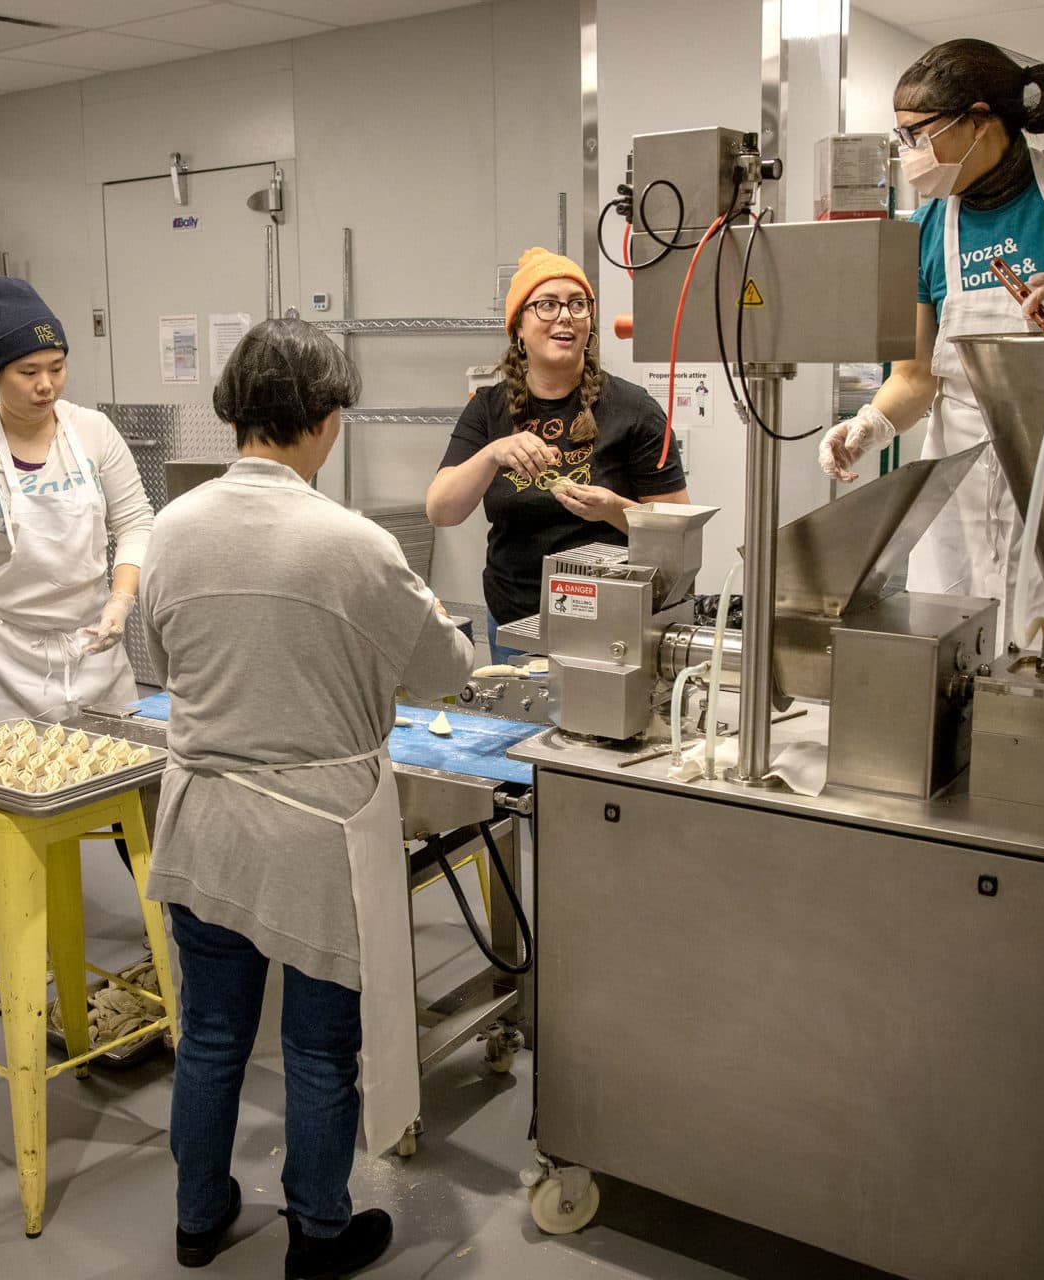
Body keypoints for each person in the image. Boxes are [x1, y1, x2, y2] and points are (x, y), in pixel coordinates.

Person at [140, 319, 473, 1277]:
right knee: (322, 1051)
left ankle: (199, 1220)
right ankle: (318, 1235)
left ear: (236, 411)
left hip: (202, 817)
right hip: (314, 832)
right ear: (326, 422)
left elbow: (163, 661)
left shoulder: (171, 529)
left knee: (210, 1035)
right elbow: (443, 669)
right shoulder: (355, 545)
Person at [818, 40, 1044, 645]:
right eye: (902, 137)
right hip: (958, 495)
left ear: (980, 120)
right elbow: (916, 378)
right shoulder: (925, 230)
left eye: (919, 133)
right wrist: (869, 427)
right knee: (950, 659)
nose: (909, 154)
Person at [0, 275, 154, 1025]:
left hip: (92, 646)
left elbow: (137, 522)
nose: (46, 386)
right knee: (17, 817)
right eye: (28, 373)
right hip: (2, 656)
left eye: (56, 369)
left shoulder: (93, 434)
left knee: (132, 802)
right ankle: (19, 953)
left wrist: (119, 600)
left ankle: (164, 931)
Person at [428, 247, 690, 664]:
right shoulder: (489, 409)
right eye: (546, 305)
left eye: (577, 304)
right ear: (517, 329)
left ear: (590, 323)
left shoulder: (633, 409)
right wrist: (493, 454)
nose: (565, 316)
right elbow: (441, 510)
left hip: (609, 624)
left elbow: (677, 529)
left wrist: (613, 508)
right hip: (514, 622)